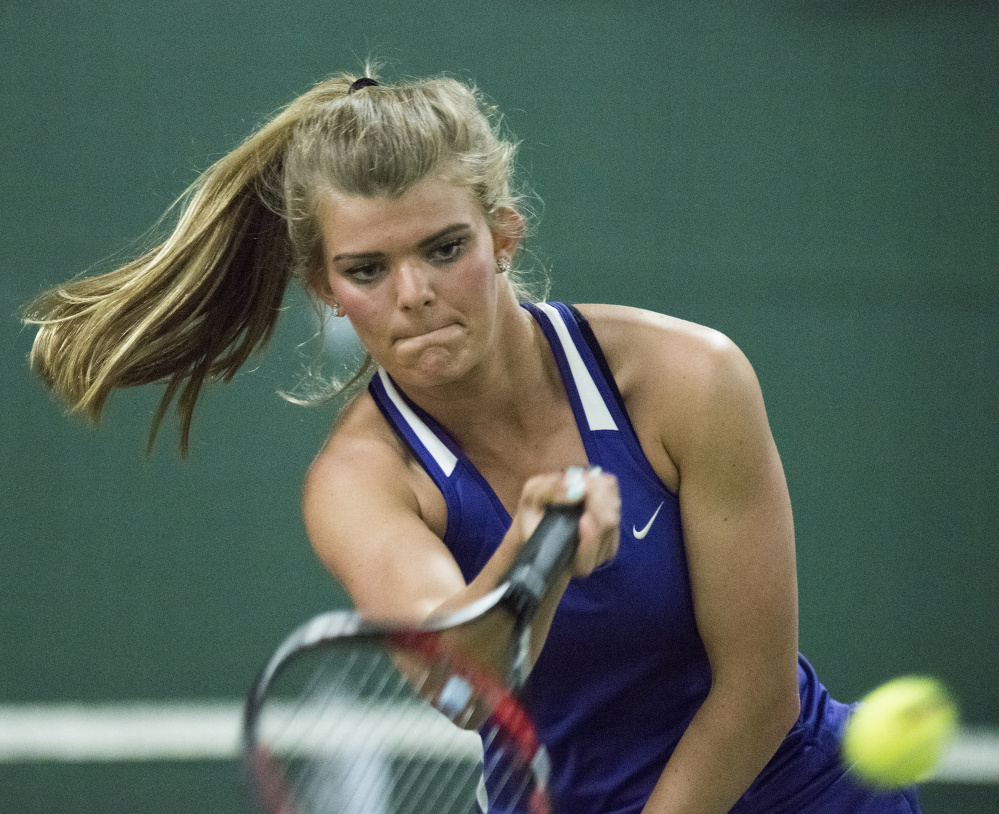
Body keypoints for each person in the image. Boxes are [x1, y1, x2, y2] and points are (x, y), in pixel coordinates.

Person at [24, 70, 922, 814]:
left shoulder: (692, 379)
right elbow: (457, 689)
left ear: (502, 233)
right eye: (367, 269)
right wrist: (535, 557)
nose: (411, 292)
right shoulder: (358, 481)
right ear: (327, 288)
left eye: (444, 247)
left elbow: (755, 690)